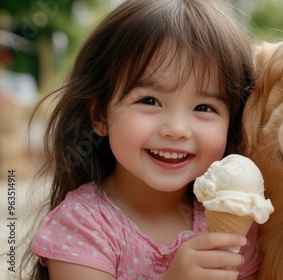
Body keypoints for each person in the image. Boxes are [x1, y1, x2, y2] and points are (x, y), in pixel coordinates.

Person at [23, 0, 257, 279]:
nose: (177, 129)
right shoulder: (83, 225)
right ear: (100, 116)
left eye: (204, 108)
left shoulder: (236, 217)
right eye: (149, 100)